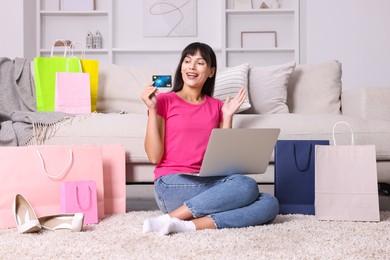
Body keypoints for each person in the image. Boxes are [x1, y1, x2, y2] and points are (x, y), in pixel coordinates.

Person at [140, 42, 279, 235]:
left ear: (211, 72)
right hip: (172, 184)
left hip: (208, 184)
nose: (191, 67)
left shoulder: (216, 106)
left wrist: (228, 115)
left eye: (200, 63)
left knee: (270, 203)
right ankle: (171, 217)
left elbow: (226, 161)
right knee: (246, 185)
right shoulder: (163, 101)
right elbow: (154, 157)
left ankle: (187, 225)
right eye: (187, 61)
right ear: (181, 67)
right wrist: (152, 109)